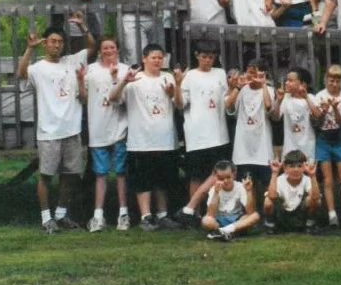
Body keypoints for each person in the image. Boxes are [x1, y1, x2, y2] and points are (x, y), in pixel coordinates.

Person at [18, 20, 95, 233]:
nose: (56, 45)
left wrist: (82, 26)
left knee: (70, 174)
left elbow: (91, 47)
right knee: (46, 174)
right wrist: (29, 49)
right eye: (52, 41)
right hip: (49, 130)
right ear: (45, 44)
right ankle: (46, 218)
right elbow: (21, 74)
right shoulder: (38, 68)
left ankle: (61, 214)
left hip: (72, 128)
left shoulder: (71, 61)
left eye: (60, 42)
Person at [108, 43, 179, 231]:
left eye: (160, 57)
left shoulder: (168, 77)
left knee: (163, 180)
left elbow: (179, 104)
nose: (157, 60)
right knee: (143, 181)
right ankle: (146, 216)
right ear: (144, 58)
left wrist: (174, 91)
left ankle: (163, 215)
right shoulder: (134, 79)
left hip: (166, 140)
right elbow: (113, 98)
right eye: (153, 57)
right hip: (141, 141)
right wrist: (123, 81)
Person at [172, 42, 232, 228]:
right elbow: (180, 105)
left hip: (219, 134)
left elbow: (227, 101)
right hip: (197, 134)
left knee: (219, 174)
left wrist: (235, 88)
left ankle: (213, 211)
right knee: (196, 176)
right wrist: (178, 84)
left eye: (211, 57)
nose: (207, 60)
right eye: (204, 56)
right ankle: (193, 214)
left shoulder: (220, 74)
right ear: (197, 55)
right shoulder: (189, 76)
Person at [82, 34, 130, 232]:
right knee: (100, 174)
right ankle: (98, 215)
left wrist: (116, 78)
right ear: (100, 51)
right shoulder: (90, 70)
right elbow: (84, 97)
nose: (109, 51)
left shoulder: (125, 70)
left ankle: (123, 213)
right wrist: (78, 80)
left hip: (120, 127)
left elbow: (123, 100)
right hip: (98, 128)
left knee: (120, 172)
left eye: (112, 48)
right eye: (105, 48)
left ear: (118, 49)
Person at [226, 59, 275, 195]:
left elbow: (268, 106)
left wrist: (263, 84)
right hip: (243, 150)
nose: (251, 77)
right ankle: (249, 213)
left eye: (255, 73)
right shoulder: (241, 90)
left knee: (266, 185)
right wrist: (237, 87)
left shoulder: (269, 90)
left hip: (263, 148)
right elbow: (228, 106)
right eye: (249, 72)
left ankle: (266, 214)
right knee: (246, 186)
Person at [311, 65, 341, 227]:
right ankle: (331, 213)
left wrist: (335, 110)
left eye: (336, 81)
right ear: (326, 80)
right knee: (327, 178)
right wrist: (324, 110)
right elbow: (317, 122)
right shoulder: (319, 96)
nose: (333, 84)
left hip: (339, 137)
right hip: (323, 138)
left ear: (340, 82)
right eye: (330, 80)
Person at [262, 150, 321, 234]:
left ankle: (310, 225)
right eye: (292, 166)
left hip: (300, 214)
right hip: (283, 214)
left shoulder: (307, 179)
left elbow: (315, 198)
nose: (296, 170)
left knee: (315, 200)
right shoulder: (279, 179)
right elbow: (271, 197)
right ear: (285, 168)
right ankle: (270, 225)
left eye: (299, 166)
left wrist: (312, 175)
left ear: (304, 167)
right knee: (267, 201)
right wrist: (274, 173)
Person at [202, 160, 260, 241]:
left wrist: (249, 191)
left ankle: (223, 231)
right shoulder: (214, 189)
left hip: (236, 221)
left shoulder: (240, 187)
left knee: (255, 216)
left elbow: (250, 211)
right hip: (219, 221)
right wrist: (216, 193)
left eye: (228, 177)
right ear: (215, 176)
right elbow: (210, 214)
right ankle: (226, 232)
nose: (225, 181)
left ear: (234, 175)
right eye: (221, 178)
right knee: (206, 220)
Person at [272, 67, 316, 164]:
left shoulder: (311, 98)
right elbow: (275, 118)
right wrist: (278, 101)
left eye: (290, 80)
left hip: (307, 146)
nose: (286, 83)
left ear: (302, 84)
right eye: (286, 80)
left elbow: (317, 116)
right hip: (289, 147)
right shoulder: (285, 98)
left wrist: (306, 98)